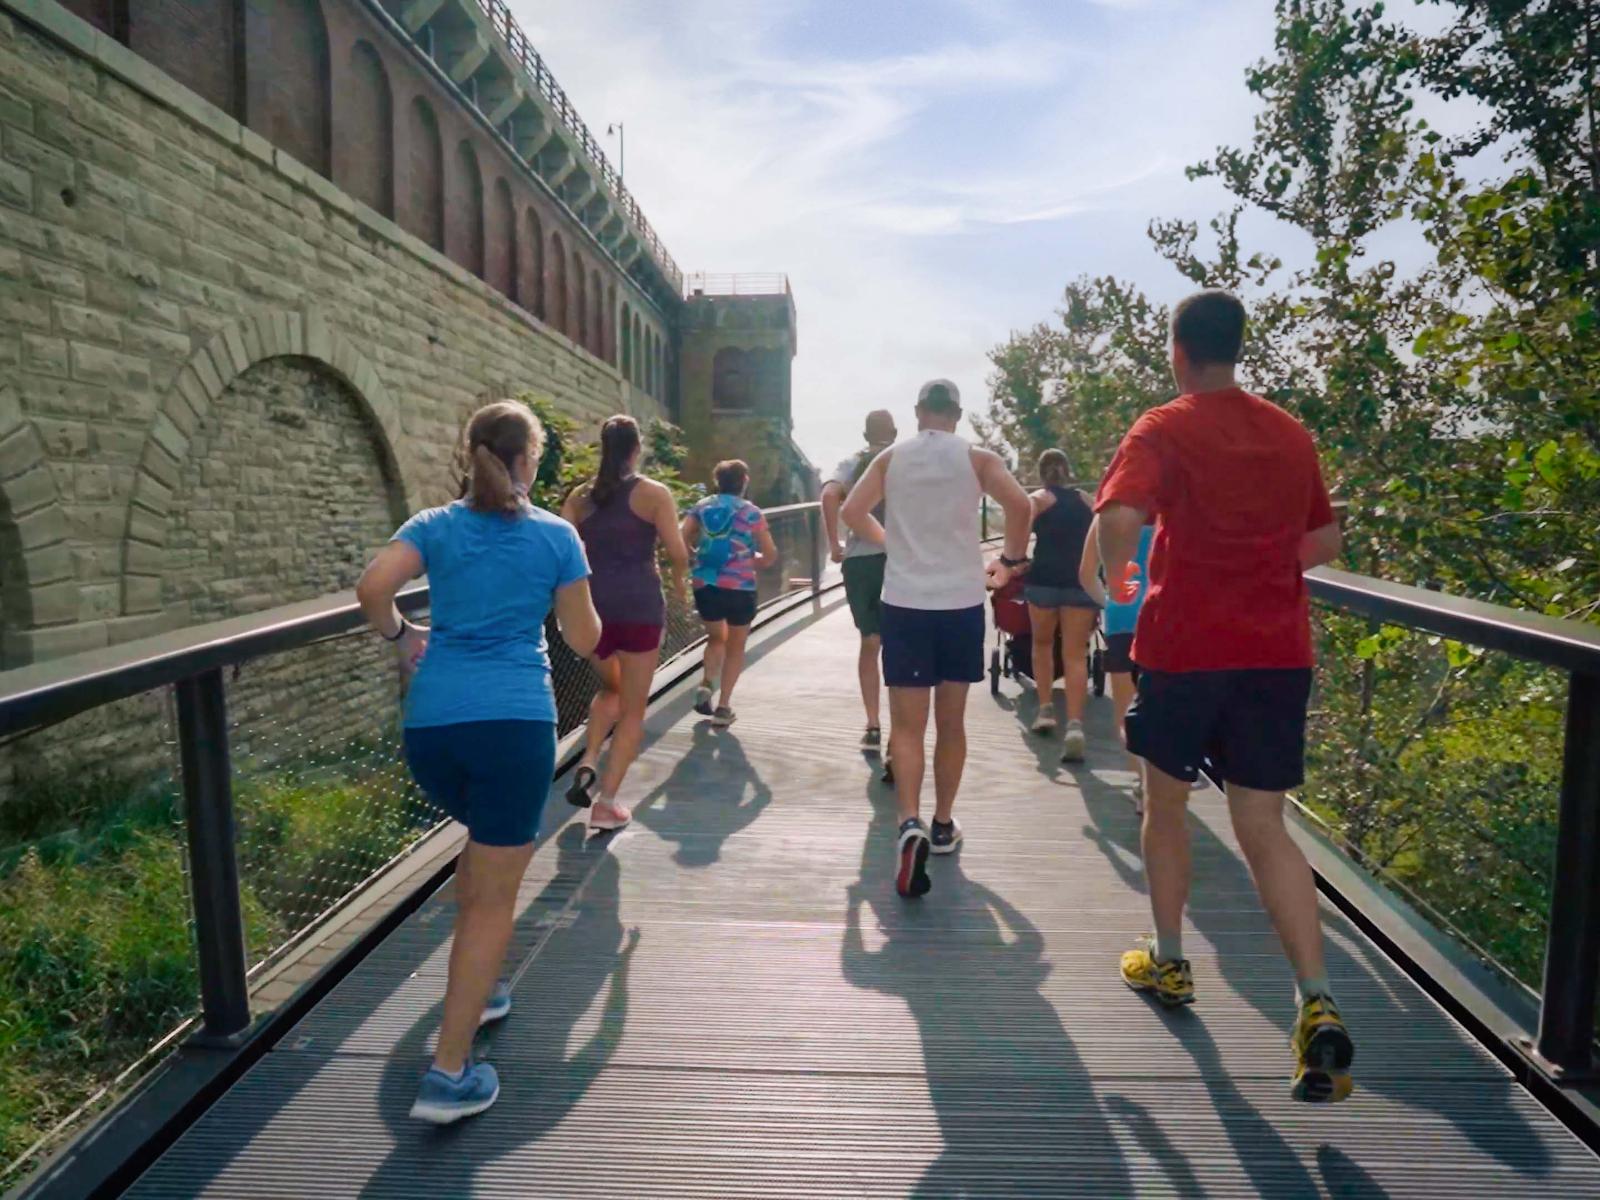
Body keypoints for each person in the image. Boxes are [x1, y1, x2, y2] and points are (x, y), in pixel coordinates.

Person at [1095, 289, 1351, 1102]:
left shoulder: (1164, 426)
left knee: (1164, 805)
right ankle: (1314, 1000)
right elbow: (1326, 538)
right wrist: (1265, 569)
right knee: (1263, 825)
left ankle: (1170, 962)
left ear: (1178, 350)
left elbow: (1123, 511)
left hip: (1186, 648)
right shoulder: (1288, 430)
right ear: (1239, 347)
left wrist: (1119, 573)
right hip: (1276, 651)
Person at [357, 400, 601, 1124]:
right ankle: (449, 1074)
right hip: (513, 729)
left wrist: (403, 636)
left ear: (473, 455)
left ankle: (482, 985)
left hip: (432, 732)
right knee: (496, 894)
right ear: (528, 461)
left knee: (484, 857)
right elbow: (583, 637)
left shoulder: (433, 526)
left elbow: (373, 588)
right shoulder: (556, 536)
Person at [841, 379, 1033, 897]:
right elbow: (1021, 507)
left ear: (919, 410)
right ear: (956, 413)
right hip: (961, 604)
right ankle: (943, 824)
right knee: (951, 723)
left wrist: (892, 543)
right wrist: (1010, 564)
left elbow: (850, 513)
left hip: (903, 602)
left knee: (907, 726)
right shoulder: (977, 458)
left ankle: (908, 822)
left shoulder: (891, 459)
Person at [560, 415, 690, 833]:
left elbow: (562, 552)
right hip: (639, 608)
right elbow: (676, 550)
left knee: (609, 688)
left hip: (593, 611)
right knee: (633, 708)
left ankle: (589, 759)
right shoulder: (654, 494)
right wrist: (680, 582)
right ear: (636, 450)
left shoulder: (579, 498)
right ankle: (608, 801)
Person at [821, 409, 898, 751]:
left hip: (861, 561)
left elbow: (828, 496)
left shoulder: (852, 462)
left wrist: (834, 544)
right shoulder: (901, 458)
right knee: (900, 643)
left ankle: (872, 723)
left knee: (870, 642)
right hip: (899, 558)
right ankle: (903, 725)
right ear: (894, 433)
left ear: (865, 435)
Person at [683, 459, 777, 726]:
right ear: (744, 482)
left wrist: (695, 558)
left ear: (717, 481)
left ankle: (706, 683)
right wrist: (751, 561)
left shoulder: (702, 506)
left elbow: (682, 536)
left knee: (715, 638)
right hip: (740, 588)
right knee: (736, 646)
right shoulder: (751, 512)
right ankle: (723, 707)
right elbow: (770, 555)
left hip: (706, 583)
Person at [1023, 448, 1100, 759]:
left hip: (1042, 580)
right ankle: (1076, 725)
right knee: (1076, 655)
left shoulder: (1038, 500)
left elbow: (1019, 533)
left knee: (1042, 645)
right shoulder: (1085, 500)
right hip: (1079, 581)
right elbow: (1102, 530)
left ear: (1041, 473)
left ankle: (1045, 710)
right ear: (1068, 472)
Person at [1081, 515, 1155, 811]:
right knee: (1162, 705)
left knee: (1126, 710)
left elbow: (1086, 574)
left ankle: (1142, 784)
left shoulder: (1106, 518)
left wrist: (1109, 603)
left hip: (1122, 620)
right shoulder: (1174, 509)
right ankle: (1165, 780)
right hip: (1166, 618)